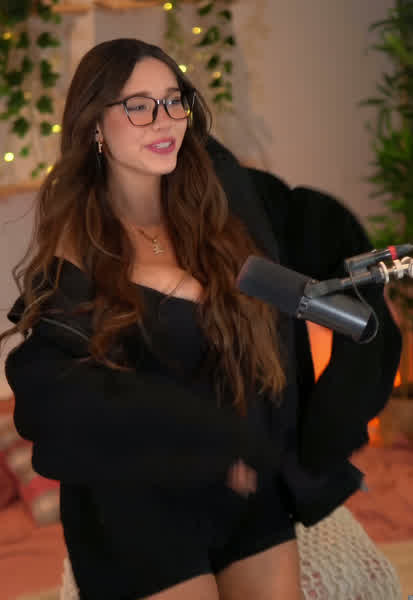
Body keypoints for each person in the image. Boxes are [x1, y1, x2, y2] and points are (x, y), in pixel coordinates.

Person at [1, 39, 302, 600]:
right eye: (138, 106)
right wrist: (201, 432)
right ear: (96, 124)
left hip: (237, 485)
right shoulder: (76, 255)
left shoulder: (216, 223)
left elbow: (270, 347)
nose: (163, 120)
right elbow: (57, 402)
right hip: (138, 504)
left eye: (172, 100)